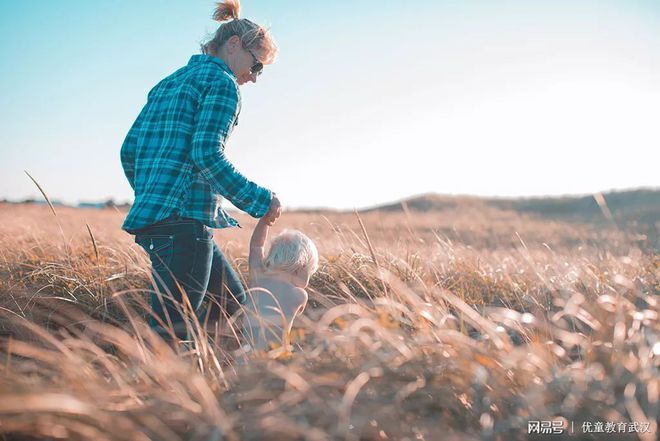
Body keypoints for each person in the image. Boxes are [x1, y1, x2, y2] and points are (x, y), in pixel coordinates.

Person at [119, 0, 280, 340]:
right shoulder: (223, 84)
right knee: (171, 335)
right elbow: (207, 154)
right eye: (257, 66)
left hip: (159, 221)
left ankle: (236, 388)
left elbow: (129, 151)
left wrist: (154, 195)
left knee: (234, 311)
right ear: (234, 45)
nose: (253, 78)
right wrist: (261, 201)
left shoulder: (168, 83)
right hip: (184, 224)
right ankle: (158, 391)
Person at [242, 211, 319, 351]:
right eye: (311, 270)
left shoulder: (258, 278)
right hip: (274, 357)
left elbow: (256, 246)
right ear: (300, 268)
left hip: (245, 355)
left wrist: (264, 221)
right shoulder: (299, 295)